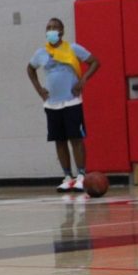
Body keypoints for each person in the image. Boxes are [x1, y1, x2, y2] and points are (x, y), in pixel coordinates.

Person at [27, 17, 100, 192]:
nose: (51, 30)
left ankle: (81, 175)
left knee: (76, 138)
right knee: (59, 140)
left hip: (72, 101)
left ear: (61, 31)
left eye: (55, 27)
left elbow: (95, 62)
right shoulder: (41, 53)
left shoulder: (73, 48)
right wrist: (39, 90)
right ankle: (68, 176)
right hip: (52, 104)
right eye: (48, 27)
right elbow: (30, 69)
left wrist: (83, 80)